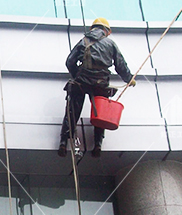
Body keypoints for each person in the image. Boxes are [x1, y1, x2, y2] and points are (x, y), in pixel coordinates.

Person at [58, 17, 136, 158]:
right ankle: (98, 145)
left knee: (72, 112)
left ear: (92, 29)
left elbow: (70, 61)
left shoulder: (83, 41)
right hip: (100, 84)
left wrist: (78, 75)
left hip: (81, 82)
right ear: (107, 31)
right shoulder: (110, 44)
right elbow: (120, 65)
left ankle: (63, 142)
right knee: (100, 113)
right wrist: (129, 79)